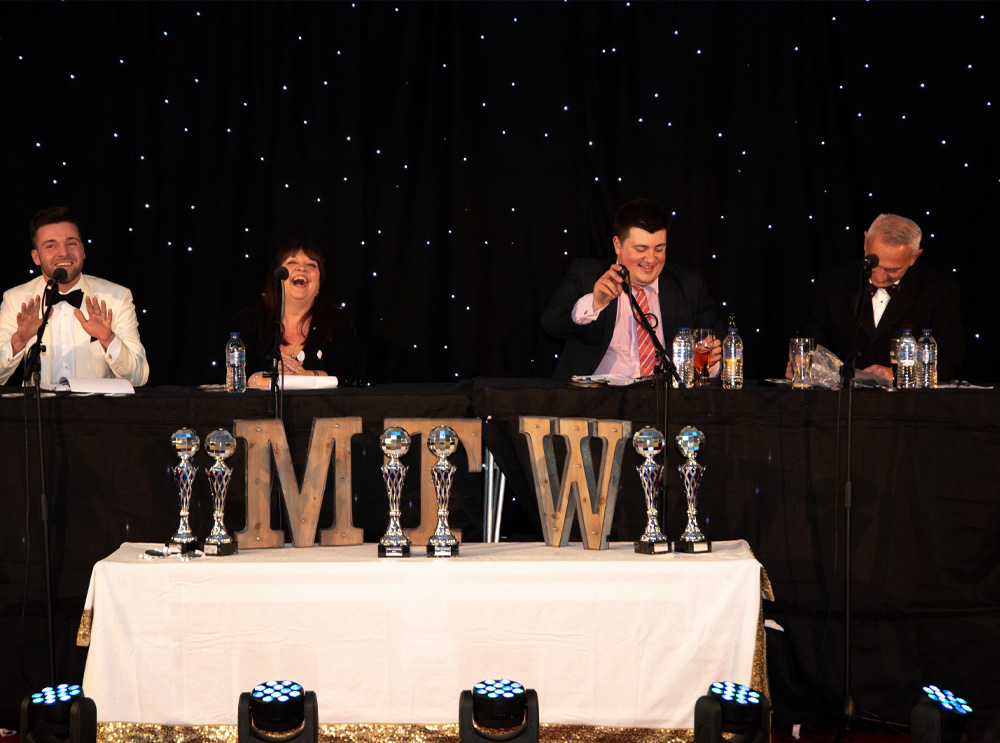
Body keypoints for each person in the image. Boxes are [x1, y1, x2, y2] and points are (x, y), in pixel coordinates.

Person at [542, 198, 723, 380]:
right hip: (595, 401)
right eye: (641, 249)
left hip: (665, 401)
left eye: (659, 249)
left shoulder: (689, 284)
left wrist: (709, 362)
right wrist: (595, 302)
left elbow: (718, 352)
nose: (651, 259)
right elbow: (551, 324)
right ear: (618, 245)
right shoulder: (587, 274)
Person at [798, 213, 964, 383]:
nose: (879, 277)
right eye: (873, 263)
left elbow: (948, 363)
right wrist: (802, 364)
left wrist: (897, 374)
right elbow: (812, 341)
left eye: (891, 270)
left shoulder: (938, 290)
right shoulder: (832, 282)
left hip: (907, 404)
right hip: (841, 402)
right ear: (865, 242)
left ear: (914, 257)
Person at [0, 207, 149, 387]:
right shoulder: (16, 299)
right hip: (38, 412)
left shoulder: (117, 297)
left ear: (83, 250)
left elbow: (139, 377)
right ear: (36, 257)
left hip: (98, 412)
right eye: (51, 245)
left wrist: (109, 340)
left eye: (71, 243)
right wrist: (19, 341)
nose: (64, 253)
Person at [234, 239, 357, 386]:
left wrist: (305, 375)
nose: (302, 268)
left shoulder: (336, 321)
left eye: (311, 264)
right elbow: (237, 374)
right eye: (292, 262)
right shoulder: (250, 319)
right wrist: (273, 378)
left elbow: (344, 376)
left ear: (319, 284)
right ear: (277, 276)